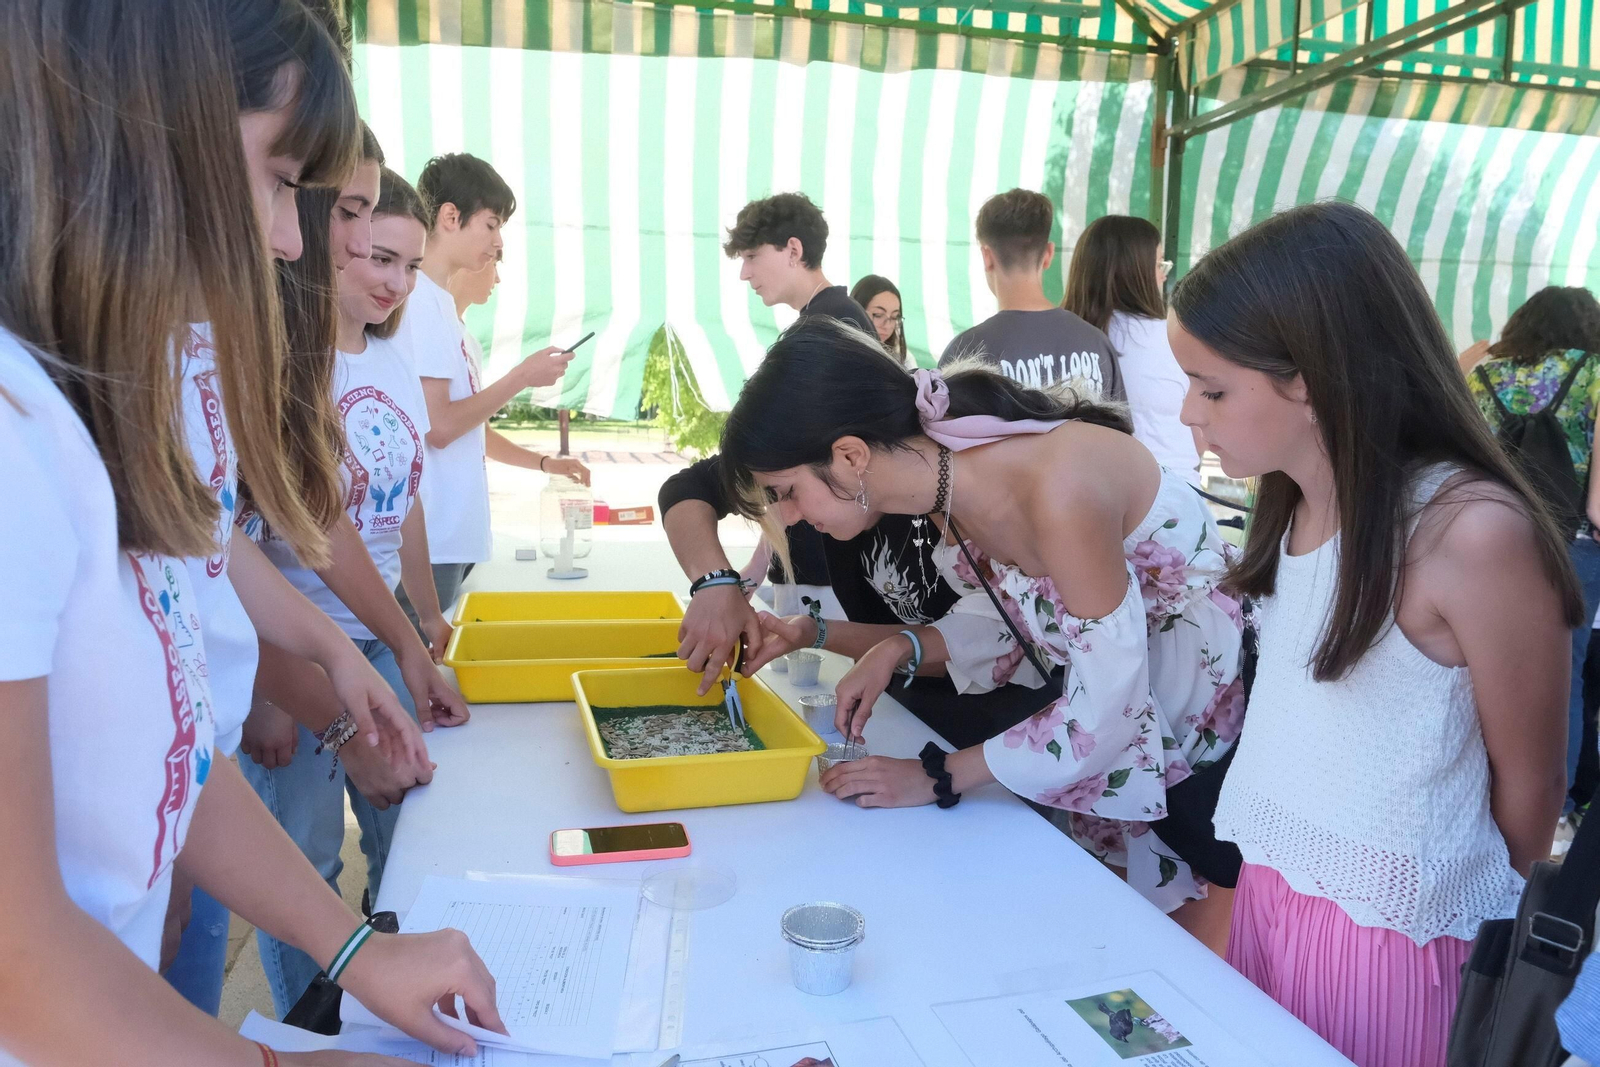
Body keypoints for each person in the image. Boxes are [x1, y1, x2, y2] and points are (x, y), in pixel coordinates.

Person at [0, 1, 501, 1064]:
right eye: (283, 182)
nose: (289, 240)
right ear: (140, 125)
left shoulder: (110, 391)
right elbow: (22, 960)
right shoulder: (17, 433)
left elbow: (170, 752)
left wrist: (357, 947)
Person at [1172, 202, 1573, 1067]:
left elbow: (1533, 792)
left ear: (1307, 375)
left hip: (1396, 945)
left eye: (1211, 388)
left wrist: (1438, 902)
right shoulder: (1293, 505)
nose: (1185, 413)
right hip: (1272, 902)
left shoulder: (1470, 532)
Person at [716, 319, 1245, 926]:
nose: (791, 518)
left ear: (851, 455)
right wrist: (899, 648)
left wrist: (938, 776)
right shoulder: (952, 488)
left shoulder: (1056, 492)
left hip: (1208, 735)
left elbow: (1106, 710)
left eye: (786, 492)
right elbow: (1016, 615)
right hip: (1140, 719)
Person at [244, 168, 468, 1018]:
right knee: (301, 864)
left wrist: (416, 625)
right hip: (291, 652)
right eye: (373, 249)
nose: (392, 280)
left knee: (399, 824)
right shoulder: (275, 363)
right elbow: (249, 545)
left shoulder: (391, 360)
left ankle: (384, 994)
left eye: (408, 266)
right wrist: (269, 687)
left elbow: (386, 505)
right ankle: (310, 1019)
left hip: (362, 641)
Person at [402, 153, 579, 622]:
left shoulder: (436, 305)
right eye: (492, 226)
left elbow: (461, 426)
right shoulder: (420, 301)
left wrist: (542, 462)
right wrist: (522, 376)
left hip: (451, 535)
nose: (497, 245)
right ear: (449, 217)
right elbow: (439, 427)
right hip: (433, 535)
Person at [1466, 285, 1600, 831]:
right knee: (1562, 675)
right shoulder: (1593, 374)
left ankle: (1482, 793)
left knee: (1481, 666)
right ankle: (1554, 809)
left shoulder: (1484, 376)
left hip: (1488, 538)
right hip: (1571, 542)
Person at [940, 189, 1123, 403]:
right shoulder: (1097, 344)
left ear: (987, 256)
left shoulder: (963, 355)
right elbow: (1119, 432)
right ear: (1048, 255)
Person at [1063, 215, 1201, 481]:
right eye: (1159, 264)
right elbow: (1202, 434)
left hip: (1084, 498)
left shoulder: (1061, 337)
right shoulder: (1174, 336)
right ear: (1135, 273)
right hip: (1172, 493)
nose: (1163, 275)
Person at [851, 274, 910, 367]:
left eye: (894, 317)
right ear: (858, 311)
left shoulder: (902, 359)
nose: (887, 325)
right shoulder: (840, 354)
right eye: (878, 315)